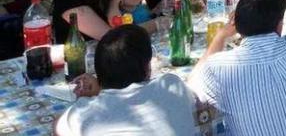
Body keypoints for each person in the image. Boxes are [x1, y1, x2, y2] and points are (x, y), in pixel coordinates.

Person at [189, 0, 286, 136]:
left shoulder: (218, 67)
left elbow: (190, 86)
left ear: (237, 25)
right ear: (279, 24)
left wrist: (221, 36)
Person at [55, 26, 198, 135]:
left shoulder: (83, 112)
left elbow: (57, 128)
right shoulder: (171, 85)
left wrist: (96, 92)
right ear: (147, 67)